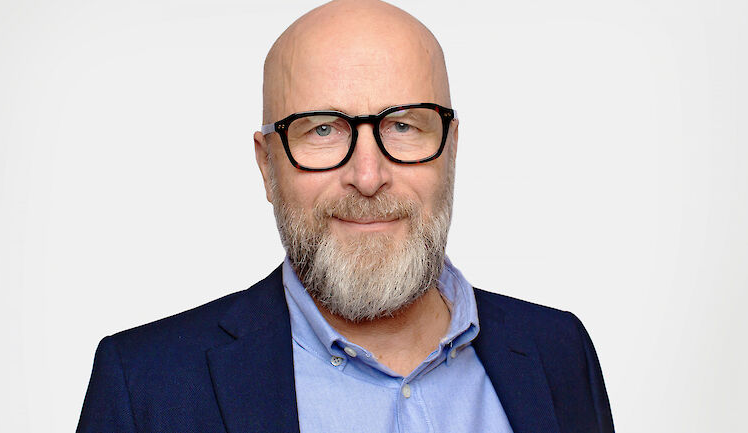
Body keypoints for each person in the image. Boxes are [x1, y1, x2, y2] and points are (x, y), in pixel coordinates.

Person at [77, 1, 614, 432]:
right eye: (322, 130)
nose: (368, 176)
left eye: (403, 126)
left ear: (450, 151)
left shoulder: (559, 351)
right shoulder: (145, 388)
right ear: (267, 166)